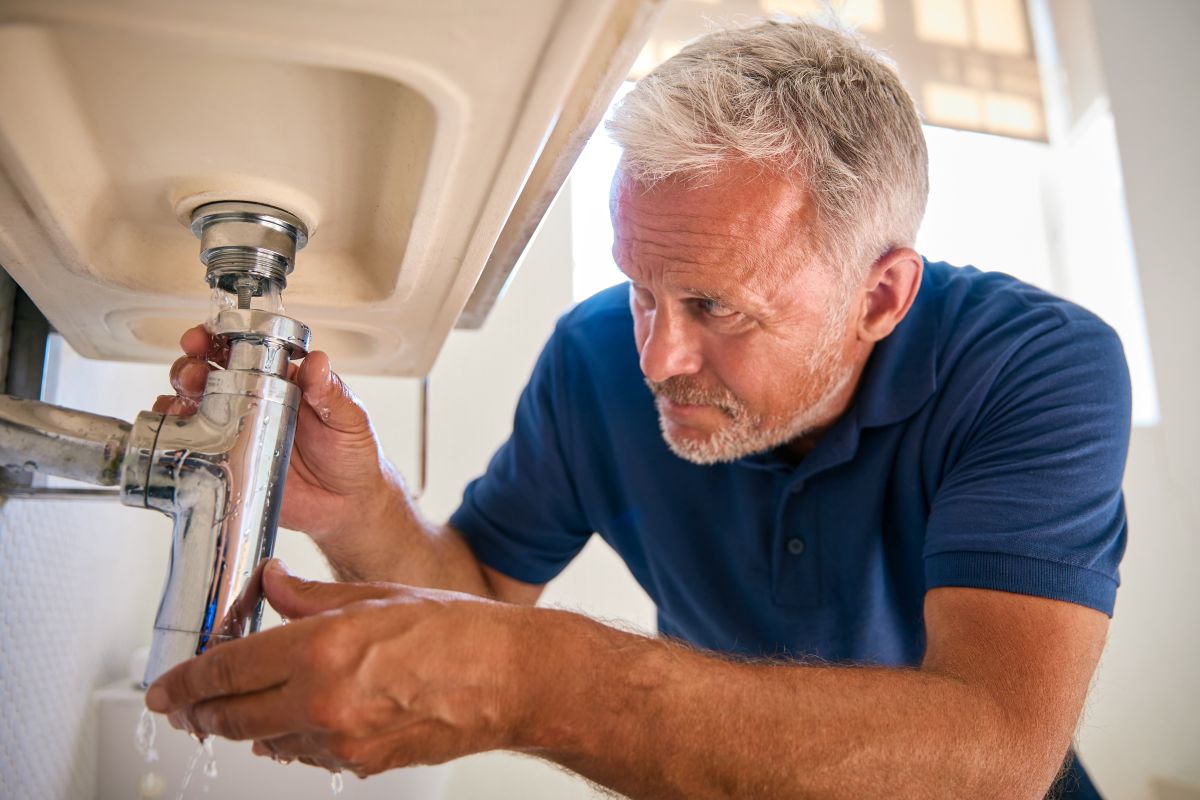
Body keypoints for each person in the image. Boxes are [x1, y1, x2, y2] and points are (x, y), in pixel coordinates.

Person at [144, 19, 1127, 799]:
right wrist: (362, 506)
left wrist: (538, 680)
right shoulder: (593, 357)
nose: (658, 356)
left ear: (879, 297)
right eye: (641, 290)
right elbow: (479, 590)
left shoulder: (1036, 366)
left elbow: (995, 754)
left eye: (715, 306)